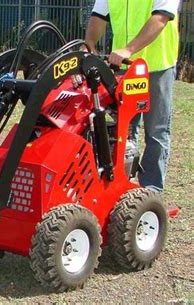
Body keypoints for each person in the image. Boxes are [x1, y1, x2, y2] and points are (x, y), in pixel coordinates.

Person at [84, 0, 181, 192]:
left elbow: (161, 18)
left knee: (156, 130)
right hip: (125, 67)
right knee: (123, 130)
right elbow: (98, 17)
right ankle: (121, 186)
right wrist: (90, 44)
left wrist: (128, 49)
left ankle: (151, 190)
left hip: (157, 66)